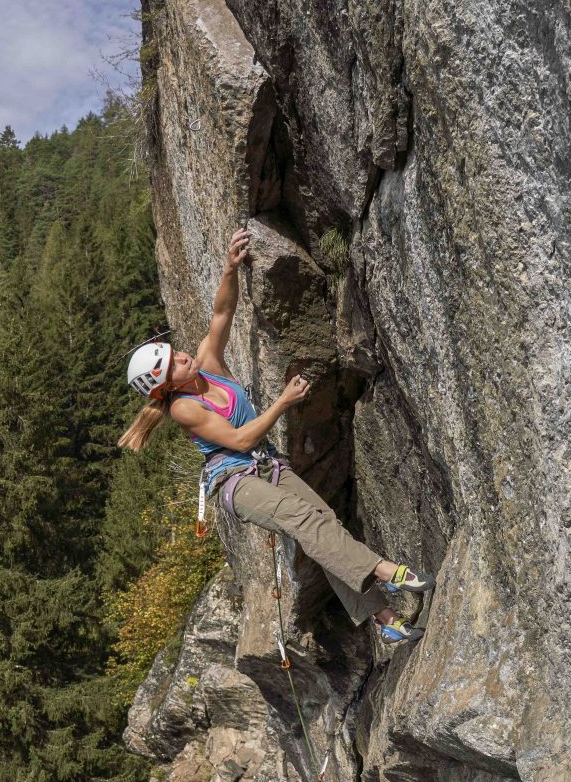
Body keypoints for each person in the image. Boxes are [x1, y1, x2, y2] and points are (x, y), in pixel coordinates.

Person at [119, 227, 431, 648]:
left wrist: (229, 268)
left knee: (324, 524)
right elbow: (241, 440)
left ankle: (387, 621)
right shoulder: (184, 408)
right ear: (164, 386)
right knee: (304, 521)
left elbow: (221, 315)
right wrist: (282, 402)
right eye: (172, 363)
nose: (181, 355)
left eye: (174, 352)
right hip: (238, 483)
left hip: (266, 464)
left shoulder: (208, 363)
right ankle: (387, 570)